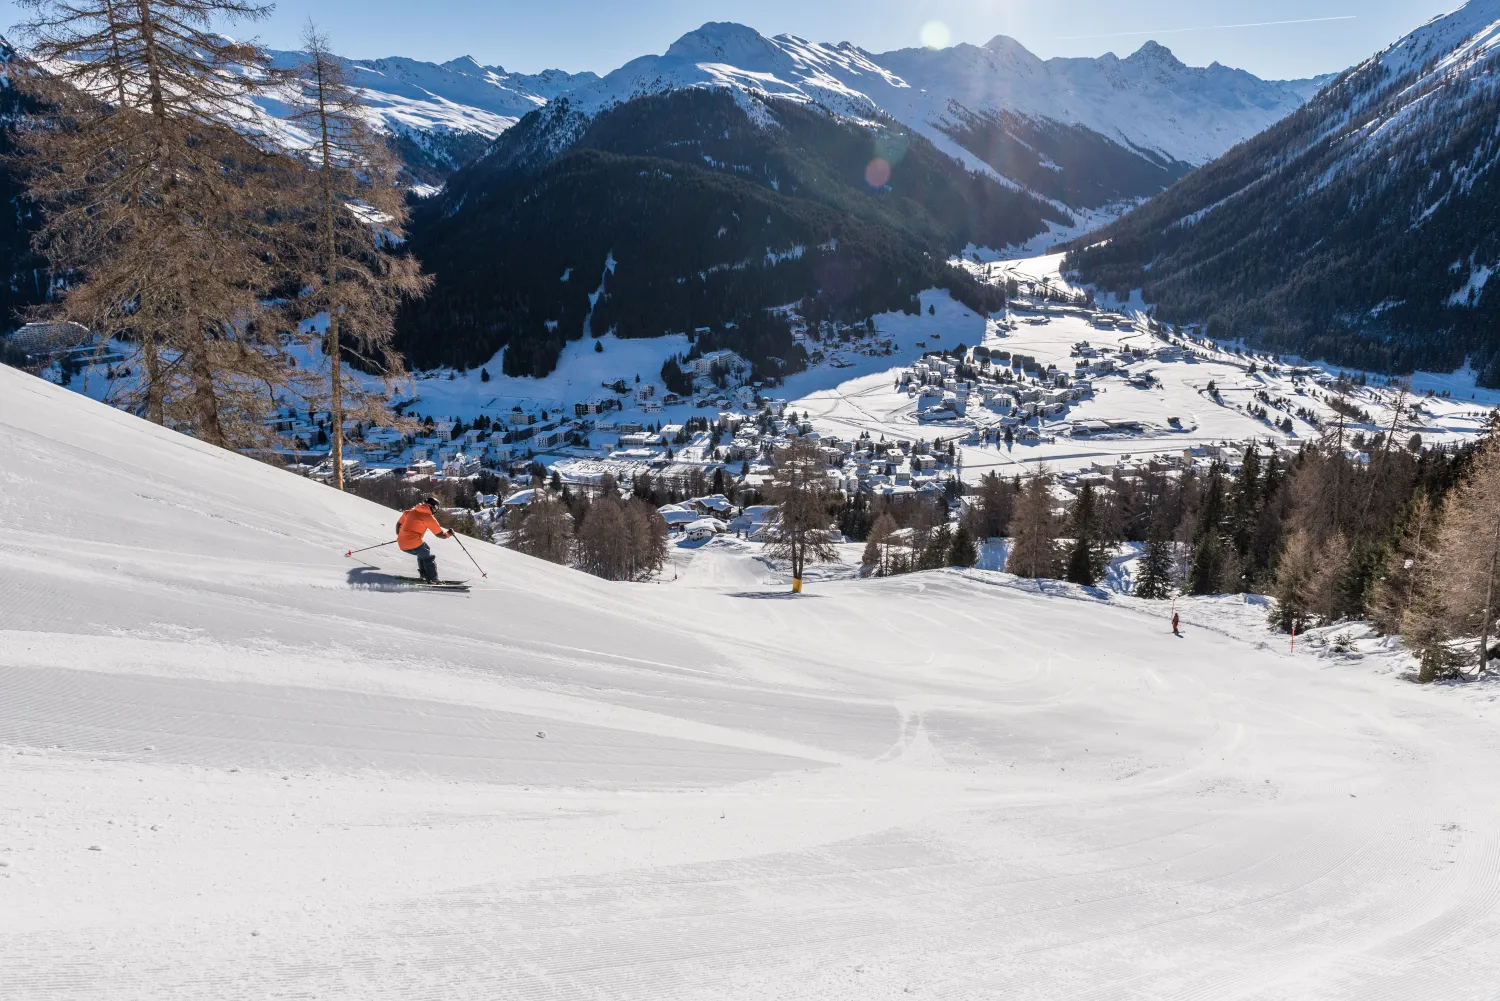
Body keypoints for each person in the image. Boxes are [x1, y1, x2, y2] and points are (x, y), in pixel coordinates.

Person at [397, 495, 451, 583]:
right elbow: (440, 534)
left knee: (424, 551)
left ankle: (424, 574)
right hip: (413, 542)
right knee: (428, 558)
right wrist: (449, 534)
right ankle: (433, 579)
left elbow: (398, 525)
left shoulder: (410, 512)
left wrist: (402, 536)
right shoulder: (428, 517)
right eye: (436, 508)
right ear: (433, 507)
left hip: (401, 543)